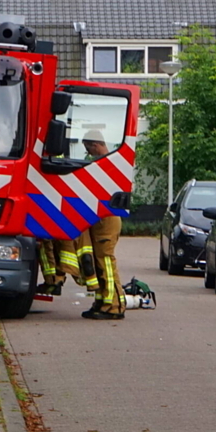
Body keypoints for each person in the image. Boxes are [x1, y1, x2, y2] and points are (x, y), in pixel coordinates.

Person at [79, 130, 125, 320]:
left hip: (107, 217)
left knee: (105, 260)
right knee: (99, 262)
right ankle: (101, 301)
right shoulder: (104, 163)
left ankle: (115, 305)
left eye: (88, 149)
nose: (88, 153)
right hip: (100, 217)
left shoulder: (108, 164)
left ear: (96, 145)